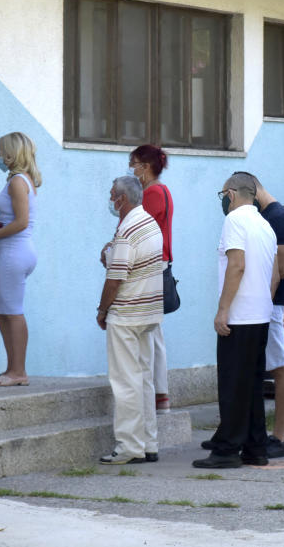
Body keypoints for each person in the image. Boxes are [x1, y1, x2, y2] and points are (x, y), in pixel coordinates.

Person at [193, 173, 278, 469]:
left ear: (230, 194)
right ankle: (256, 447)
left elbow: (237, 264)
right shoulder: (264, 224)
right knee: (252, 385)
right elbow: (277, 272)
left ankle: (227, 450)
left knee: (232, 385)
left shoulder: (235, 220)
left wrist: (223, 309)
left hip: (239, 317)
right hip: (260, 315)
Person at [95, 176, 164, 465]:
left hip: (126, 313)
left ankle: (128, 447)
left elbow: (116, 277)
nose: (110, 201)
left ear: (121, 199)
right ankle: (148, 443)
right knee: (144, 379)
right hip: (148, 312)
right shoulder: (148, 223)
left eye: (113, 196)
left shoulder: (127, 229)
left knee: (125, 382)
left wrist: (102, 310)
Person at [235, 173, 284, 459]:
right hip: (263, 305)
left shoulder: (277, 216)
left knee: (279, 366)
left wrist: (264, 301)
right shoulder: (268, 215)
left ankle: (279, 437)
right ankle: (242, 431)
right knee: (257, 368)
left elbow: (281, 268)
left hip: (270, 305)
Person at [0, 131, 41, 387]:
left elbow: (21, 222)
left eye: (3, 150)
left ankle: (18, 371)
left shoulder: (17, 181)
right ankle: (14, 367)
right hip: (14, 251)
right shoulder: (21, 179)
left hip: (15, 252)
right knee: (1, 310)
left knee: (11, 311)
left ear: (12, 153)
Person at [128, 144, 174, 413]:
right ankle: (159, 393)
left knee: (152, 332)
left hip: (150, 265)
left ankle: (159, 393)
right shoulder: (161, 190)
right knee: (153, 331)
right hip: (156, 264)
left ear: (145, 167)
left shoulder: (153, 193)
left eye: (134, 164)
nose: (131, 169)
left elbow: (140, 230)